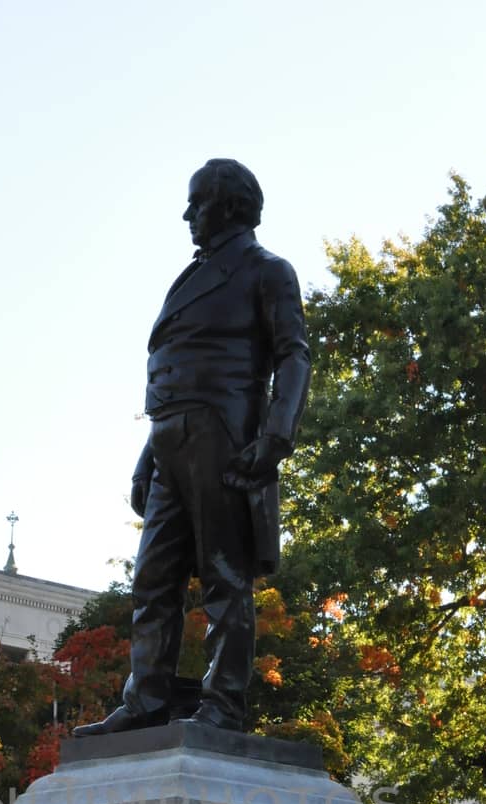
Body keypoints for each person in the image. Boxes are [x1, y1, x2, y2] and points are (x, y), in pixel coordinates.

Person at [73, 159, 310, 737]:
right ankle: (146, 699)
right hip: (170, 438)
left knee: (224, 576)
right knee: (153, 579)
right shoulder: (188, 277)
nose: (187, 214)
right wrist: (147, 455)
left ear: (228, 206)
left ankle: (223, 703)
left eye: (196, 202)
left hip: (224, 436)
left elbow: (293, 356)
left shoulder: (266, 271)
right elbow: (173, 377)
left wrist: (275, 436)